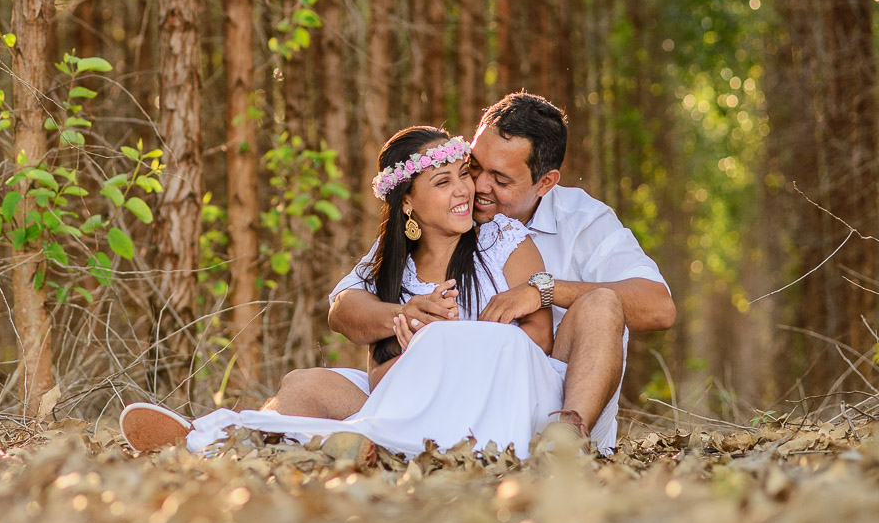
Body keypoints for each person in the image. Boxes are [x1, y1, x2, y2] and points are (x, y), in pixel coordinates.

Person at [121, 126, 567, 457]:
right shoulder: (394, 265)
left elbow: (536, 344)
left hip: (496, 400)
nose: (465, 190)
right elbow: (353, 326)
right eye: (443, 182)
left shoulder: (503, 239)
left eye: (461, 175)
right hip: (408, 400)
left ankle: (226, 438)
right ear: (407, 203)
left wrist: (442, 345)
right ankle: (234, 442)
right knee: (303, 384)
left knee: (423, 367)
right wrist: (407, 322)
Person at [270, 92, 676, 452]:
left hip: (532, 398)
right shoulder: (431, 226)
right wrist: (406, 317)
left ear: (545, 182)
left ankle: (566, 440)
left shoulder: (571, 224)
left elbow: (658, 308)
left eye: (499, 179)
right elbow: (345, 307)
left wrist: (543, 291)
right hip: (424, 393)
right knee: (304, 385)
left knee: (601, 303)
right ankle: (279, 454)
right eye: (473, 166)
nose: (475, 187)